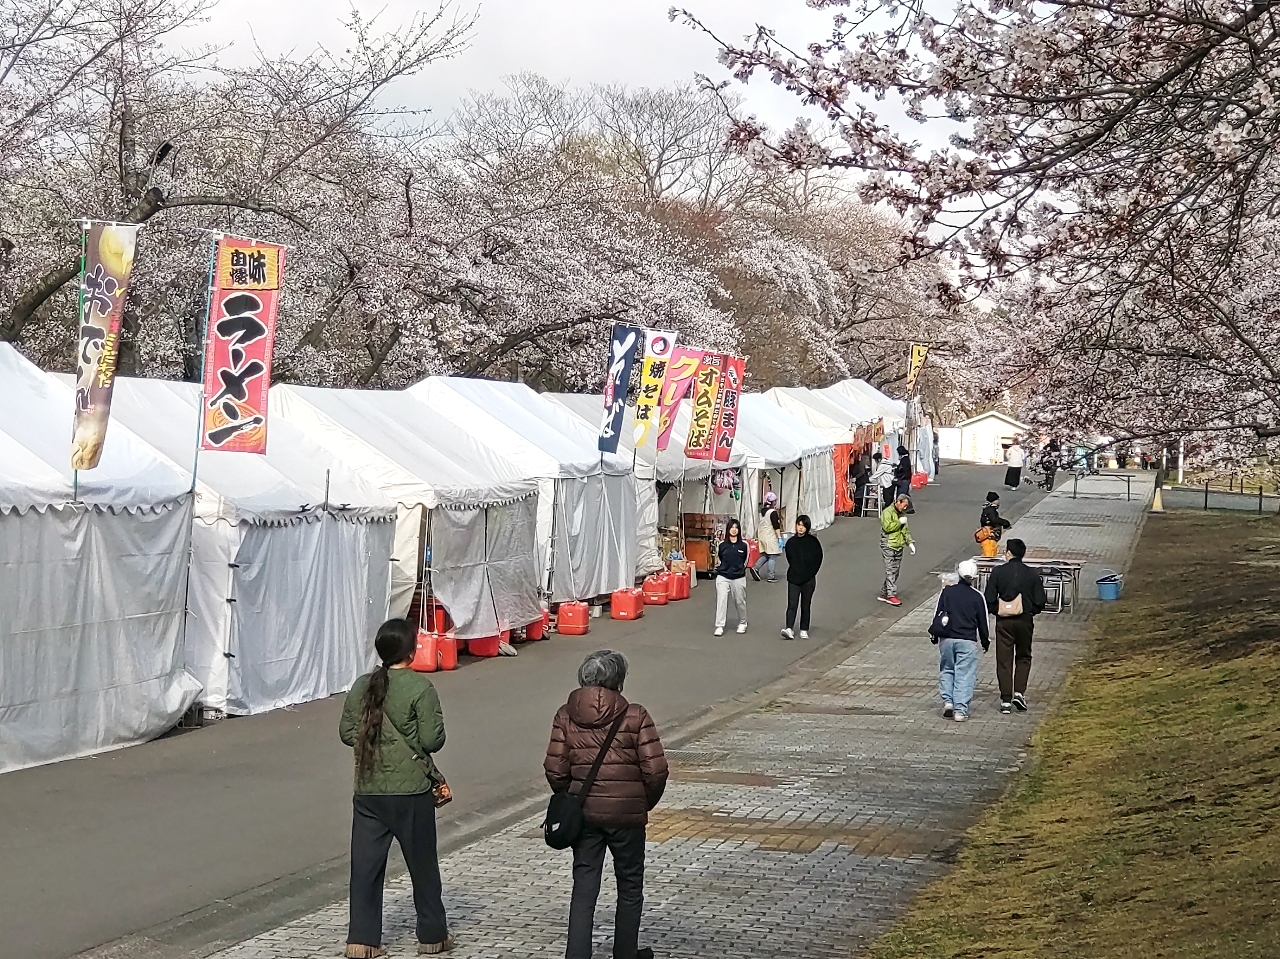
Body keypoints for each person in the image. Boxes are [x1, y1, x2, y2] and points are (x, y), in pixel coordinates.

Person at [545, 651, 668, 959]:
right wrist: (641, 802)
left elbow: (555, 769)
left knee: (584, 886)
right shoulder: (636, 715)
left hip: (584, 815)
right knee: (629, 885)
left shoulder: (565, 714)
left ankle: (577, 954)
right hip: (627, 818)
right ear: (619, 681)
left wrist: (570, 798)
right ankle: (626, 953)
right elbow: (656, 770)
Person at [339, 619, 450, 958]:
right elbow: (433, 739)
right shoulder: (420, 687)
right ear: (412, 651)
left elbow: (347, 733)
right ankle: (432, 935)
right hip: (411, 791)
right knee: (422, 865)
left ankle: (362, 940)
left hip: (369, 790)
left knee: (366, 869)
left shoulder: (362, 686)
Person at [984, 538, 1048, 714]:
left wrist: (997, 610)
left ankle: (1005, 700)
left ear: (1009, 553)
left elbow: (988, 597)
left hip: (1004, 621)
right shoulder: (1032, 574)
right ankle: (1019, 692)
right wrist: (1031, 611)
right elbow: (1040, 600)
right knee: (1024, 656)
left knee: (1004, 660)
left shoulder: (998, 572)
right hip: (1025, 620)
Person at [929, 559, 990, 722]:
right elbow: (983, 622)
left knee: (947, 669)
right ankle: (960, 710)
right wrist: (985, 641)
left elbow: (938, 613)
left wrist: (934, 634)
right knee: (965, 674)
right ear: (974, 577)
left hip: (947, 638)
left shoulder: (947, 592)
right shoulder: (977, 597)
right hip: (967, 640)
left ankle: (948, 702)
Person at [780, 514, 822, 640]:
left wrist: (811, 573)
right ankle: (789, 628)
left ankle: (804, 628)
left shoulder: (813, 542)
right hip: (794, 578)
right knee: (792, 604)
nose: (801, 528)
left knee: (806, 604)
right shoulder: (791, 542)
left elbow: (818, 558)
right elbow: (790, 558)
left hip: (809, 579)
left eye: (803, 526)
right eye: (799, 525)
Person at [877, 493, 915, 607]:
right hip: (888, 545)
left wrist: (910, 542)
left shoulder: (901, 514)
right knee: (890, 571)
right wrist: (899, 522)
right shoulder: (887, 513)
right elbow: (887, 527)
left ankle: (884, 592)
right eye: (904, 505)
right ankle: (891, 595)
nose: (905, 508)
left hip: (899, 545)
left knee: (895, 572)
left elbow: (905, 530)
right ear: (898, 502)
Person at [714, 518, 749, 636]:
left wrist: (739, 570)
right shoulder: (722, 545)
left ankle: (743, 622)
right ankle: (719, 625)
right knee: (722, 600)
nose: (734, 530)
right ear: (728, 529)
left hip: (738, 577)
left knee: (739, 601)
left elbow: (745, 561)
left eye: (736, 528)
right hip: (723, 576)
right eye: (732, 527)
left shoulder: (744, 545)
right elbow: (719, 560)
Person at [750, 491, 783, 582]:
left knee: (766, 554)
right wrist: (779, 537)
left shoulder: (763, 511)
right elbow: (776, 526)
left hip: (762, 535)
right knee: (773, 555)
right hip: (770, 535)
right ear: (773, 502)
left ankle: (755, 568)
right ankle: (771, 576)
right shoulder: (773, 512)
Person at [978, 491, 1012, 558]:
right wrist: (1005, 523)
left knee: (991, 553)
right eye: (997, 499)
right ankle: (988, 567)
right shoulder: (990, 510)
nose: (998, 501)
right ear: (994, 501)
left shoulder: (987, 509)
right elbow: (995, 520)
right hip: (989, 536)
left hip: (987, 535)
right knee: (989, 555)